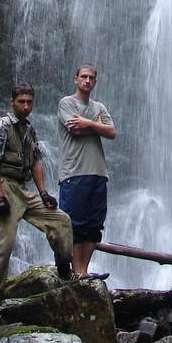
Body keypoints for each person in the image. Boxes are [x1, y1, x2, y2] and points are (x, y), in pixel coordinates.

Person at [0, 83, 73, 302]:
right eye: (21, 102)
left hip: (22, 189)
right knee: (2, 242)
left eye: (29, 102)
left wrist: (43, 193)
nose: (25, 106)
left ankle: (64, 272)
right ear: (12, 102)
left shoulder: (29, 130)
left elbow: (36, 162)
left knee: (61, 221)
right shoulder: (1, 127)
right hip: (2, 185)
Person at [57, 64, 116, 279]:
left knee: (94, 225)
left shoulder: (99, 106)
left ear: (95, 82)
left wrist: (87, 123)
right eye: (83, 77)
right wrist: (97, 125)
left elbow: (112, 132)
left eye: (91, 78)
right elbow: (75, 129)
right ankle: (76, 271)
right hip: (74, 172)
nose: (87, 80)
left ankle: (83, 271)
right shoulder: (66, 103)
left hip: (98, 173)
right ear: (76, 79)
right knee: (74, 224)